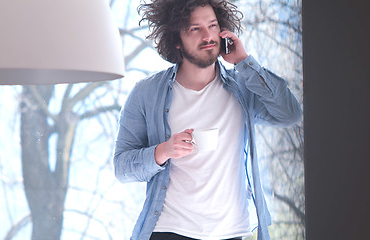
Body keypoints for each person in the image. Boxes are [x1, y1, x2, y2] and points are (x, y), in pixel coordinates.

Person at [113, 0, 302, 239]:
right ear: (176, 40)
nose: (208, 36)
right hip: (169, 230)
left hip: (231, 231)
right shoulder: (146, 94)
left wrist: (244, 62)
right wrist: (163, 151)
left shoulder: (243, 88)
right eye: (195, 29)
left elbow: (290, 113)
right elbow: (122, 168)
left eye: (212, 26)